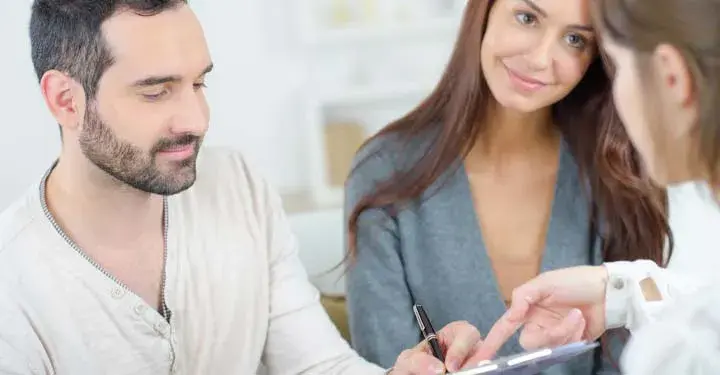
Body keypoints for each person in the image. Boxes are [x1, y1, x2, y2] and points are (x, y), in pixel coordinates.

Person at [0, 1, 486, 374]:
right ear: (66, 100)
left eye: (199, 84)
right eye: (156, 91)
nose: (197, 118)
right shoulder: (14, 284)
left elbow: (317, 365)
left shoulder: (237, 186)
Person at [343, 0, 671, 373]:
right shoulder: (383, 172)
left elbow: (633, 360)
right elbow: (383, 361)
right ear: (483, 11)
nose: (540, 58)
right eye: (527, 18)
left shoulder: (616, 173)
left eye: (576, 39)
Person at [472, 0, 720, 373]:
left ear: (672, 77)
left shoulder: (680, 353)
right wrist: (621, 290)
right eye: (527, 18)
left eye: (618, 68)